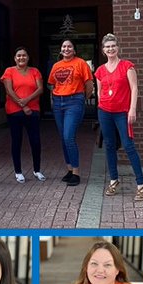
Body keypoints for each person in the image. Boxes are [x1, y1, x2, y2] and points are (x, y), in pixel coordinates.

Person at [94, 33, 143, 200]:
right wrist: (102, 108)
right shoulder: (100, 71)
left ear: (118, 48)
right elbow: (100, 92)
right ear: (103, 50)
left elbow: (134, 88)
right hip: (105, 112)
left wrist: (132, 109)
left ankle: (141, 185)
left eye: (113, 46)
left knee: (128, 145)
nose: (110, 49)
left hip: (122, 112)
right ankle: (113, 180)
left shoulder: (127, 66)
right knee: (109, 146)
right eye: (107, 47)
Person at [49, 38, 93, 186]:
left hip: (74, 101)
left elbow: (89, 85)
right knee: (63, 137)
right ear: (61, 49)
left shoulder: (81, 63)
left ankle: (76, 172)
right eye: (64, 46)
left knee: (69, 136)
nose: (66, 49)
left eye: (69, 46)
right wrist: (53, 100)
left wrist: (81, 99)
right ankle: (69, 169)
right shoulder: (56, 65)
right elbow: (52, 84)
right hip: (58, 102)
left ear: (74, 50)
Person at [0, 47, 45, 182]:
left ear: (28, 57)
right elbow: (9, 90)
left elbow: (40, 89)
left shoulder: (34, 71)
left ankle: (37, 170)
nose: (21, 58)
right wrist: (23, 105)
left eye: (24, 55)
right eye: (18, 56)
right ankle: (18, 171)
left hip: (33, 111)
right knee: (17, 141)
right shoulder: (9, 71)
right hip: (14, 112)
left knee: (35, 141)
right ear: (15, 58)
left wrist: (27, 100)